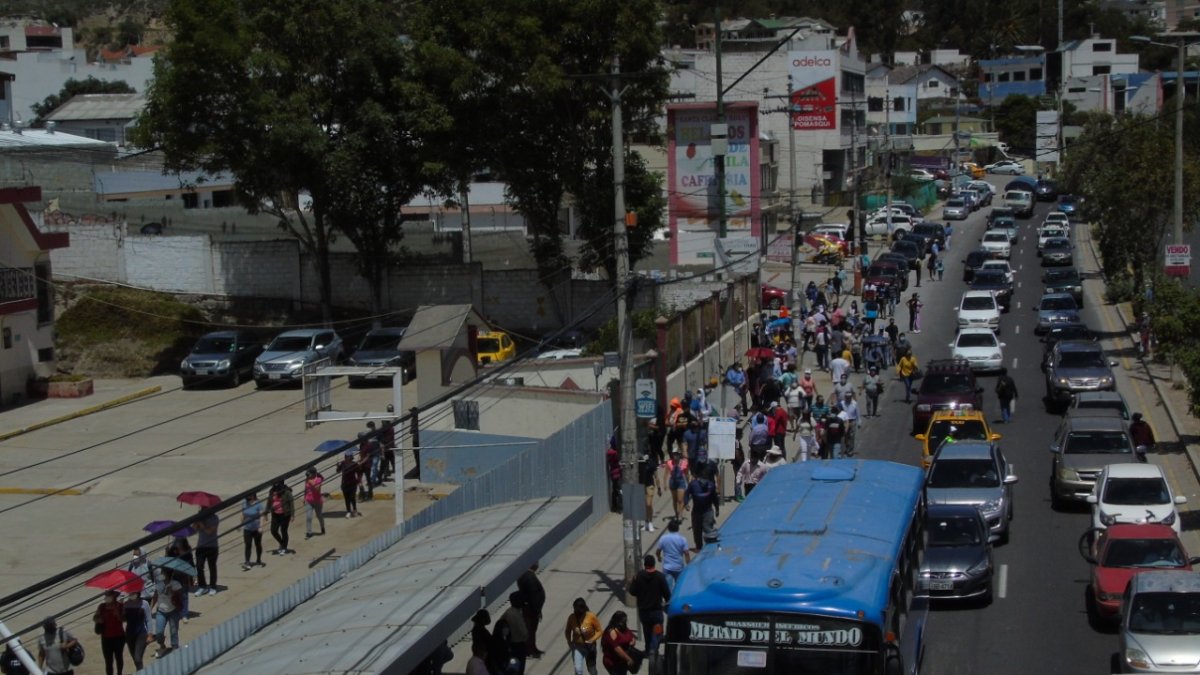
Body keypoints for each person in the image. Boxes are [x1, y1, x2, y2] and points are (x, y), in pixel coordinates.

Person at [628, 555, 670, 666]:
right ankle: (653, 651)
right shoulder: (660, 577)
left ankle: (648, 651)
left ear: (645, 564)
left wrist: (633, 581)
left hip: (644, 612)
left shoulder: (639, 576)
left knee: (647, 632)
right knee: (657, 633)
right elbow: (667, 595)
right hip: (656, 612)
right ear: (654, 564)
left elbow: (632, 592)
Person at [684, 466, 719, 551]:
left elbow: (715, 498)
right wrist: (686, 503)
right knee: (697, 532)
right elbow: (686, 494)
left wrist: (717, 508)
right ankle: (699, 548)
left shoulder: (711, 485)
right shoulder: (693, 484)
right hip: (696, 513)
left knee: (708, 529)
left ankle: (711, 549)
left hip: (708, 511)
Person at [151, 569, 184, 659]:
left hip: (173, 611)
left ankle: (174, 646)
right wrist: (150, 608)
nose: (161, 575)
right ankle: (162, 646)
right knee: (159, 632)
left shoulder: (175, 584)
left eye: (163, 573)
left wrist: (172, 591)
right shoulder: (158, 585)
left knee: (173, 631)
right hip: (161, 611)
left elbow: (181, 596)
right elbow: (155, 596)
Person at [564, 598, 602, 675]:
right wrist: (569, 641)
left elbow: (599, 631)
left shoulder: (591, 616)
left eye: (579, 611)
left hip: (590, 647)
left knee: (592, 670)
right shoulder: (572, 617)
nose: (577, 612)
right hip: (577, 646)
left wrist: (592, 640)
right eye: (575, 609)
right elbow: (568, 630)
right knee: (578, 670)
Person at [495, 592, 529, 674]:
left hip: (511, 645)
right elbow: (524, 632)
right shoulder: (515, 615)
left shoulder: (509, 612)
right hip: (517, 645)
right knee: (518, 669)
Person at [518, 562, 547, 657]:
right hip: (531, 609)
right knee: (530, 630)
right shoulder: (529, 577)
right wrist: (537, 610)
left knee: (532, 630)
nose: (538, 564)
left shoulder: (527, 575)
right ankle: (529, 650)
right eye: (536, 562)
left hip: (532, 608)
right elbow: (533, 595)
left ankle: (532, 648)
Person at [93, 590, 125, 675]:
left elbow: (123, 619)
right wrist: (98, 619)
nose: (106, 596)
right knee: (108, 660)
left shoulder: (120, 606)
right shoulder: (102, 607)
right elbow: (95, 617)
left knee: (119, 657)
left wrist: (117, 613)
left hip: (119, 636)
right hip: (106, 637)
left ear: (114, 596)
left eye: (108, 595)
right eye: (106, 594)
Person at [656, 519, 691, 592]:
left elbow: (658, 551)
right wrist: (689, 565)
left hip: (667, 567)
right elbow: (686, 553)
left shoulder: (663, 538)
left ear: (668, 528)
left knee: (667, 589)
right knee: (679, 588)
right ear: (678, 528)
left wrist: (658, 557)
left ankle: (668, 601)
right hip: (678, 567)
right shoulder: (682, 539)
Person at [193, 507, 220, 596]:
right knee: (199, 567)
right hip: (201, 546)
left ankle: (213, 586)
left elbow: (210, 531)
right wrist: (196, 523)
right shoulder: (199, 518)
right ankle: (202, 586)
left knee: (212, 567)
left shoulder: (214, 518)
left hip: (212, 546)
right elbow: (193, 530)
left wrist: (201, 524)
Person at [122, 591, 151, 671]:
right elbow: (124, 619)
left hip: (141, 633)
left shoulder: (144, 603)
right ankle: (140, 671)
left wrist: (150, 634)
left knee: (137, 658)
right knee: (135, 659)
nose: (131, 594)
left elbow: (148, 620)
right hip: (130, 634)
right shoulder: (126, 604)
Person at [240, 492, 266, 570]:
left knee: (258, 544)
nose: (248, 497)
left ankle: (258, 560)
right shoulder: (244, 503)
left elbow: (262, 516)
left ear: (253, 495)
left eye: (249, 495)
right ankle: (247, 562)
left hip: (256, 528)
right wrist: (240, 524)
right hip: (247, 528)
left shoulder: (258, 503)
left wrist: (261, 527)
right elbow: (243, 515)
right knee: (248, 545)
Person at [268, 481, 294, 555]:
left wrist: (292, 515)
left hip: (285, 515)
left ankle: (284, 547)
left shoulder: (286, 491)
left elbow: (291, 503)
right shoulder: (272, 491)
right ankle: (282, 543)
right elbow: (269, 501)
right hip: (275, 514)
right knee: (273, 530)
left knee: (283, 531)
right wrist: (266, 512)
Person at [662, 449, 688, 521]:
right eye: (674, 454)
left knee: (680, 499)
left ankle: (680, 514)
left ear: (679, 455)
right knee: (675, 499)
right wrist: (664, 484)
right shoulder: (669, 463)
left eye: (677, 454)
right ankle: (676, 513)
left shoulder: (684, 462)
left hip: (681, 481)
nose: (675, 456)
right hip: (672, 481)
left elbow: (686, 474)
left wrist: (688, 483)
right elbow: (666, 474)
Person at [638, 452, 661, 533]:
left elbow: (656, 476)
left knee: (649, 504)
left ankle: (650, 522)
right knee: (644, 505)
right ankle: (646, 522)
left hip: (650, 485)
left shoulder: (651, 463)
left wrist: (659, 488)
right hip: (641, 486)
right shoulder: (639, 463)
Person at [337, 449, 362, 518]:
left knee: (352, 497)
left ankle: (354, 510)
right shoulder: (342, 463)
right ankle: (348, 511)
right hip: (344, 484)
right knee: (346, 499)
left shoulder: (354, 464)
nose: (346, 457)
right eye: (346, 456)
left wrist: (358, 481)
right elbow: (338, 471)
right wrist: (337, 466)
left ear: (351, 457)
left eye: (348, 456)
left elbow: (359, 473)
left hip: (353, 484)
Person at [304, 467, 326, 539]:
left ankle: (322, 527)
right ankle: (309, 532)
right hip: (308, 501)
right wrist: (304, 498)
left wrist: (311, 483)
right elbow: (306, 489)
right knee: (308, 517)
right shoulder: (307, 480)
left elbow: (318, 490)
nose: (308, 475)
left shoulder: (318, 479)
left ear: (313, 473)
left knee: (319, 516)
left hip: (317, 501)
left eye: (309, 473)